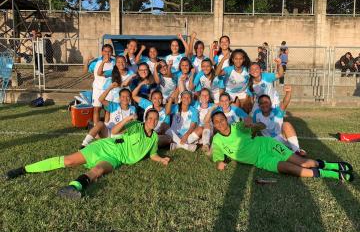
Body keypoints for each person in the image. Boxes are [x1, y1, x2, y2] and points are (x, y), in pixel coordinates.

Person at [5, 109, 171, 199]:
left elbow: (152, 154)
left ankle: (73, 187)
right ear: (146, 118)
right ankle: (22, 170)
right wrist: (127, 119)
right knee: (69, 161)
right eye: (150, 118)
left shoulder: (154, 137)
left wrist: (161, 159)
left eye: (156, 119)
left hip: (115, 158)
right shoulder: (136, 125)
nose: (153, 121)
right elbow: (114, 130)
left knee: (98, 171)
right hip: (104, 147)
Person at [210, 111, 354, 182]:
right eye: (216, 122)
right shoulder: (216, 139)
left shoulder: (237, 127)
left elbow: (250, 125)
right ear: (214, 125)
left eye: (222, 120)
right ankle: (330, 174)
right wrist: (219, 163)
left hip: (267, 145)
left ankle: (330, 166)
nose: (220, 124)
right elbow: (217, 155)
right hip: (261, 161)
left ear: (226, 120)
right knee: (289, 168)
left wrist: (249, 123)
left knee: (301, 162)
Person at [252, 85, 306, 156]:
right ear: (259, 105)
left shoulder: (277, 111)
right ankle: (285, 151)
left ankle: (296, 150)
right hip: (268, 142)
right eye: (261, 103)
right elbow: (253, 129)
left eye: (266, 102)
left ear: (271, 103)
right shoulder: (256, 114)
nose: (264, 105)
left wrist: (288, 92)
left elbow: (285, 103)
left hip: (281, 138)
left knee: (286, 124)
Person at [85, 44, 115, 124]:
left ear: (112, 52)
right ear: (102, 52)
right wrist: (86, 61)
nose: (107, 53)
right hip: (97, 89)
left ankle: (106, 127)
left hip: (109, 89)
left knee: (108, 109)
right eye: (105, 51)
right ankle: (96, 128)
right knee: (96, 108)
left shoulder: (115, 62)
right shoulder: (96, 61)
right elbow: (86, 71)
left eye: (109, 52)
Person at [191, 88, 215, 154]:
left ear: (209, 97)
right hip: (198, 130)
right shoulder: (195, 105)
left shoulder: (213, 106)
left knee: (207, 123)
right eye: (203, 95)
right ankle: (199, 142)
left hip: (208, 131)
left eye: (207, 95)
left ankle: (206, 145)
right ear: (200, 97)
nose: (204, 97)